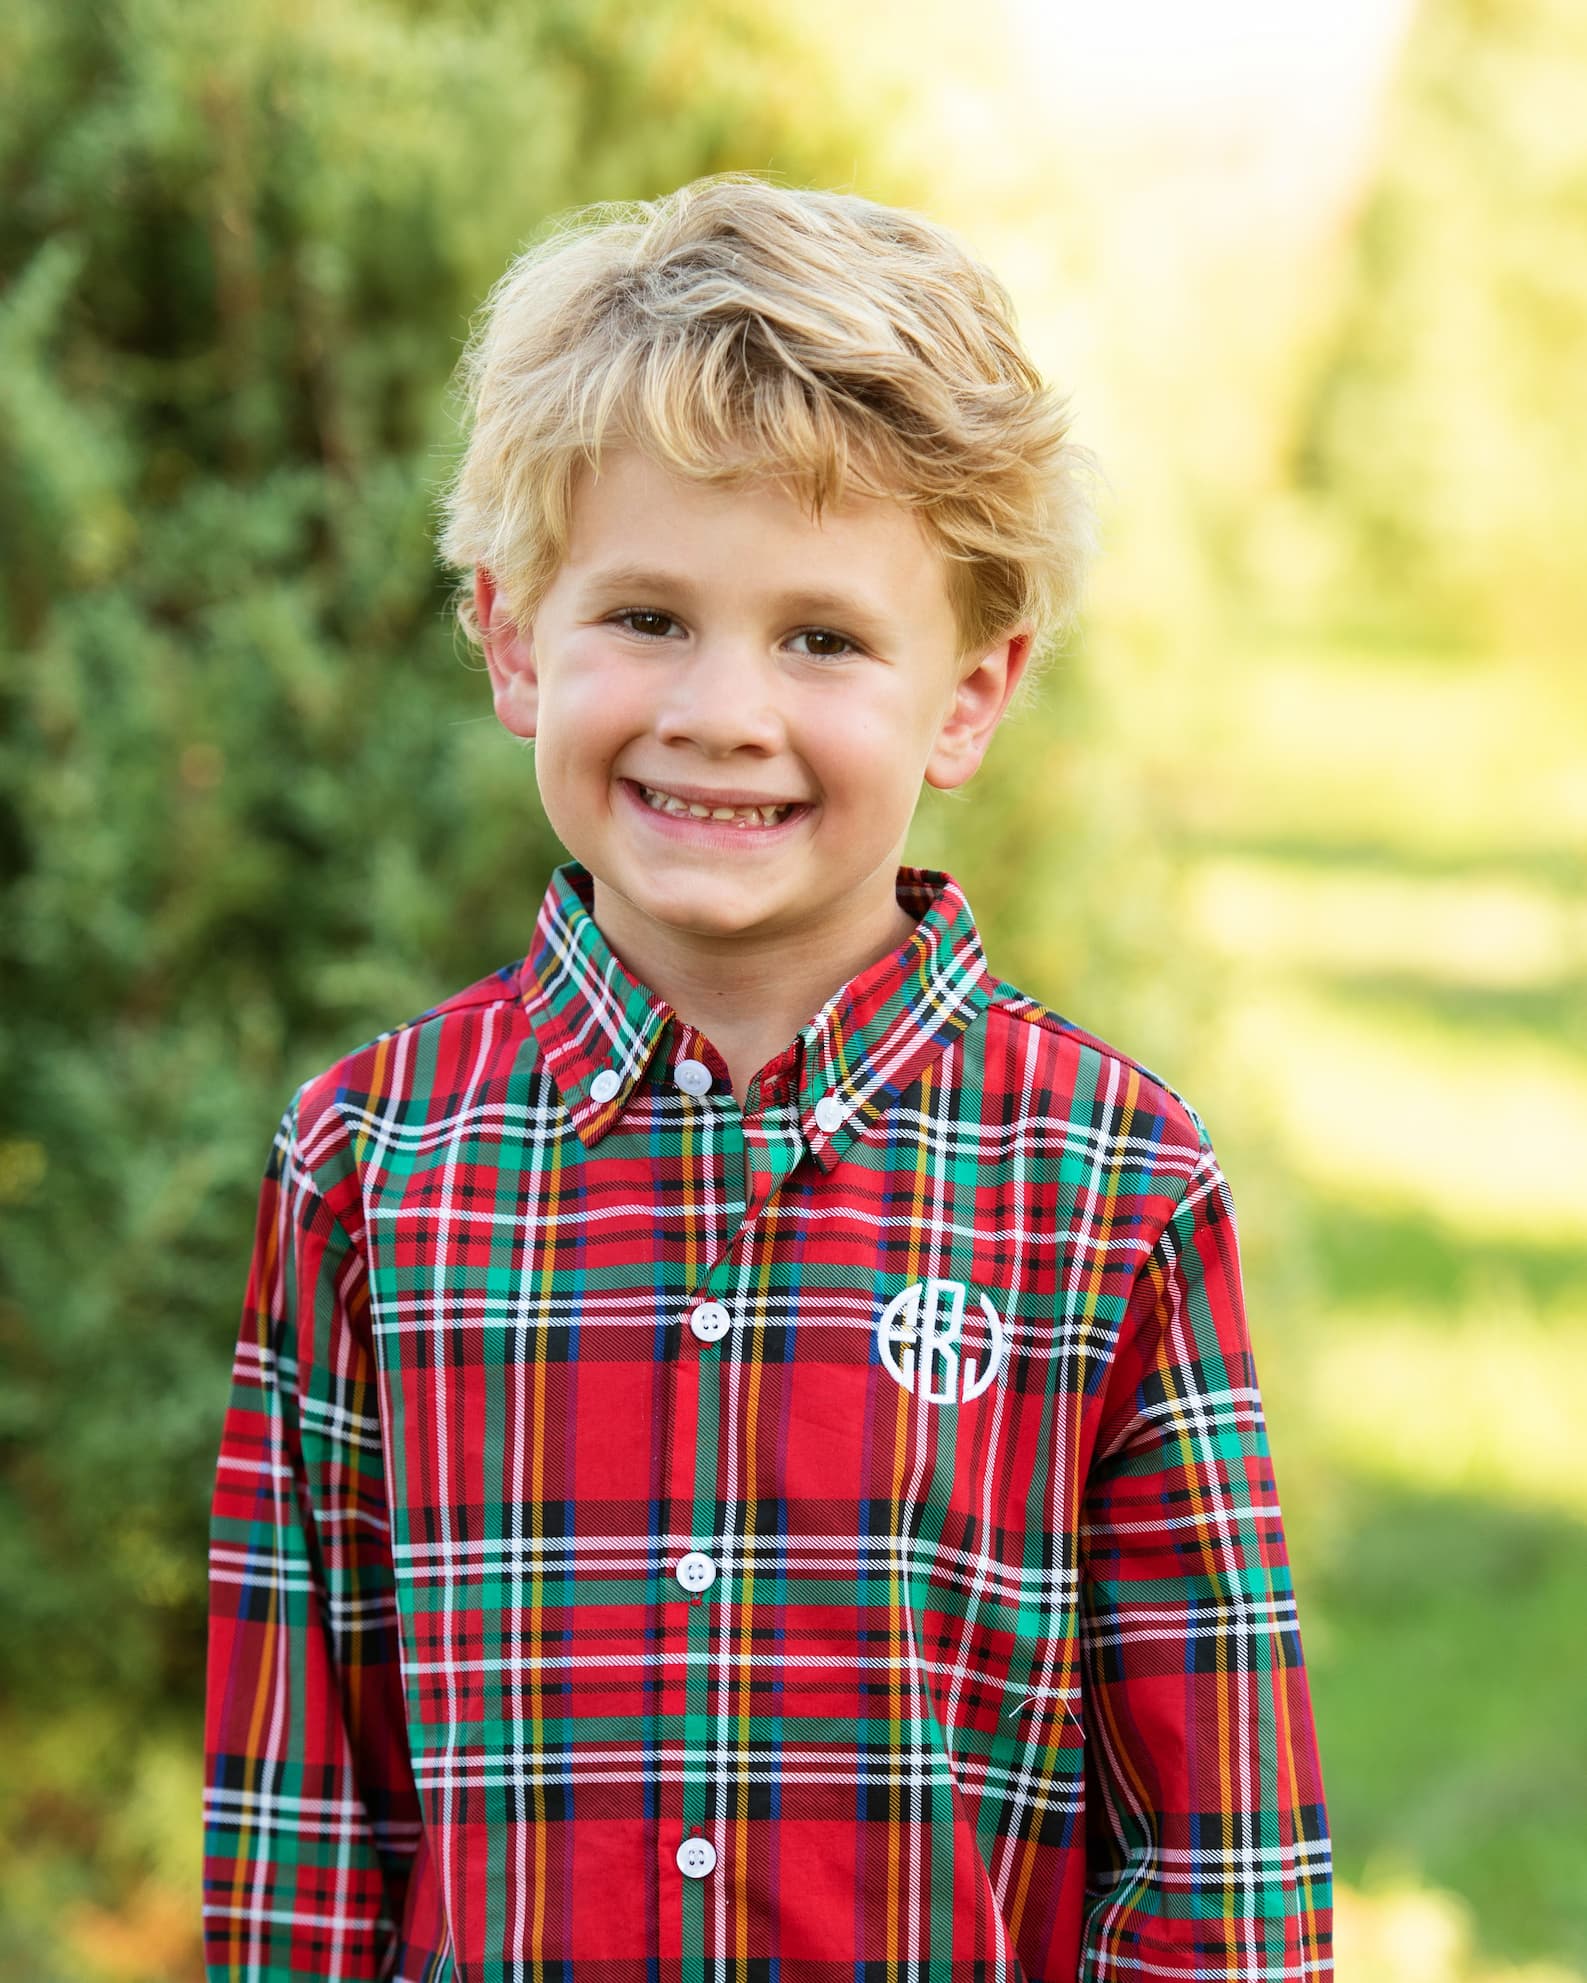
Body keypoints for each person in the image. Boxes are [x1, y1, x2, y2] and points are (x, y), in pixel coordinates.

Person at [202, 171, 1332, 1981]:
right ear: (511, 637)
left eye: (822, 638)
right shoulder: (369, 1170)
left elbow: (1221, 1860)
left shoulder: (1109, 1180)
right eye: (646, 617)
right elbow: (304, 1830)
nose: (723, 708)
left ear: (969, 693)